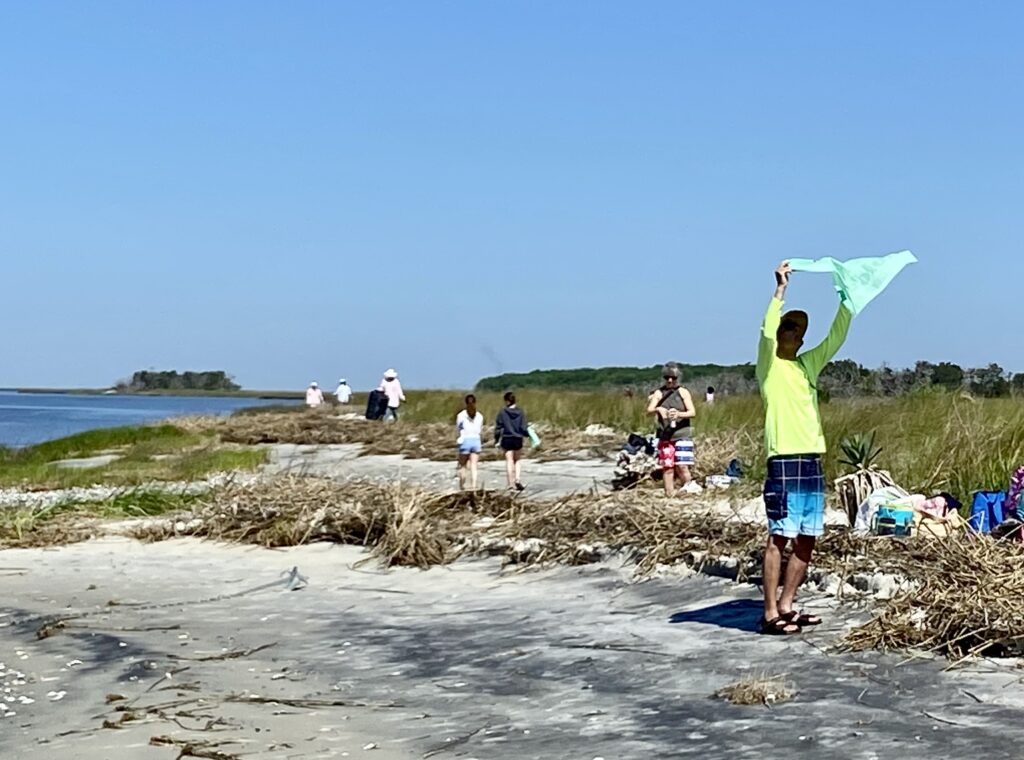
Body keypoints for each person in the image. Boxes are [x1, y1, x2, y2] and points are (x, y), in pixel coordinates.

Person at [756, 261, 852, 635]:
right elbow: (764, 331)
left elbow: (835, 339)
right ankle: (769, 614)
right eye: (789, 326)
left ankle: (787, 605)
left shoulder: (806, 366)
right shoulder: (769, 366)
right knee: (779, 535)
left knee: (808, 536)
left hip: (810, 458)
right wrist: (779, 291)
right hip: (783, 458)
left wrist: (848, 303)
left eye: (798, 329)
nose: (794, 332)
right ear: (780, 333)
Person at [646, 363, 698, 496]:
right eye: (667, 377)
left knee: (682, 466)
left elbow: (692, 412)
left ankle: (689, 490)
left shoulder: (683, 392)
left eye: (673, 378)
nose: (670, 380)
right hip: (665, 436)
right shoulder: (659, 392)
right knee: (667, 466)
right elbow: (649, 411)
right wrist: (658, 409)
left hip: (682, 434)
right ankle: (669, 494)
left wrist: (679, 414)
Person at [494, 392, 528, 492]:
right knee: (517, 460)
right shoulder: (520, 412)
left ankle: (510, 483)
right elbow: (523, 427)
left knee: (509, 460)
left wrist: (496, 440)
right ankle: (517, 479)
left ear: (507, 401)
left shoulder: (502, 412)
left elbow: (498, 427)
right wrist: (526, 434)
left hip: (507, 437)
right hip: (518, 438)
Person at [456, 394, 484, 490]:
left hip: (465, 440)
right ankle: (474, 484)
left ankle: (462, 484)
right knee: (474, 465)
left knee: (463, 465)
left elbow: (459, 428)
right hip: (476, 440)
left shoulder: (461, 415)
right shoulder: (479, 415)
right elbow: (480, 429)